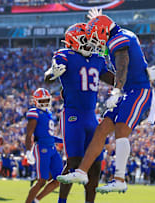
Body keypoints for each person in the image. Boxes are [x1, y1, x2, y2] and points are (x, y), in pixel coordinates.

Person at [57, 9, 155, 194]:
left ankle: (120, 179)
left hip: (138, 91)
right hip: (131, 90)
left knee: (122, 129)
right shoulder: (121, 34)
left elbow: (122, 66)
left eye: (95, 36)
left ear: (103, 32)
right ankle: (82, 172)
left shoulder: (118, 40)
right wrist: (96, 22)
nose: (96, 43)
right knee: (102, 128)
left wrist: (116, 90)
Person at [45, 22, 114, 203]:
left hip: (91, 116)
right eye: (87, 39)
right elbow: (49, 74)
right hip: (73, 115)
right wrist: (51, 72)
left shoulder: (98, 59)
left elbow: (112, 79)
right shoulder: (65, 55)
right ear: (75, 40)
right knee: (74, 162)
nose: (91, 43)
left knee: (96, 165)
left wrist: (131, 78)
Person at [24, 88, 64, 203]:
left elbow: (49, 136)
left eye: (46, 100)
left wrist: (64, 140)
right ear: (36, 101)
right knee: (42, 180)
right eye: (42, 101)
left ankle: (36, 200)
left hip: (52, 148)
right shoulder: (34, 112)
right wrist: (28, 151)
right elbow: (29, 134)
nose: (45, 103)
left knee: (59, 179)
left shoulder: (48, 114)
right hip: (42, 148)